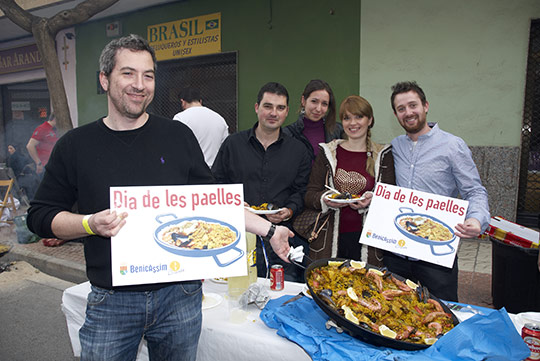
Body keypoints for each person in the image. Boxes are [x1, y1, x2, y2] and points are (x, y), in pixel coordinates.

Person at [26, 34, 292, 361]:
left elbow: (213, 201)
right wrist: (89, 223)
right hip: (112, 301)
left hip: (180, 297)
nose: (140, 84)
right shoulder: (76, 145)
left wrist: (269, 230)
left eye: (148, 75)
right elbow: (40, 217)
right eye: (128, 73)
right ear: (104, 79)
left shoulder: (178, 136)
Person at [384, 81, 490, 302]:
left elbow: (474, 190)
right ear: (395, 115)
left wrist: (477, 220)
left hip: (436, 254)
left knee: (440, 314)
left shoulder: (452, 146)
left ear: (426, 106)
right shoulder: (395, 146)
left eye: (413, 105)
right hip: (397, 252)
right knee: (395, 313)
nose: (408, 113)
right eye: (401, 109)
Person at [212, 82, 312, 282]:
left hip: (282, 241)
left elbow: (302, 190)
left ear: (287, 112)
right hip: (237, 240)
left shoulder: (298, 150)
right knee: (237, 298)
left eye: (280, 108)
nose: (273, 113)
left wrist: (290, 209)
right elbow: (216, 184)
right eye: (268, 106)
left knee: (282, 297)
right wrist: (235, 203)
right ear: (257, 108)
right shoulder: (233, 144)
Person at [303, 95, 394, 263]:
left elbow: (391, 198)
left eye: (359, 116)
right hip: (329, 242)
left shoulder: (383, 155)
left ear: (370, 120)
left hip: (368, 245)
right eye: (347, 118)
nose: (353, 123)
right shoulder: (328, 152)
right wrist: (326, 199)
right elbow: (310, 194)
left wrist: (372, 200)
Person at [283, 79, 343, 161]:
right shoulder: (287, 134)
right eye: (314, 101)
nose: (318, 109)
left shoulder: (339, 131)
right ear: (303, 101)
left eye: (324, 104)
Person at [173, 87, 229, 168]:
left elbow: (176, 147)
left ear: (183, 102)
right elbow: (225, 150)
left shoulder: (180, 118)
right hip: (214, 172)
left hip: (192, 172)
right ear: (200, 101)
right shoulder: (219, 119)